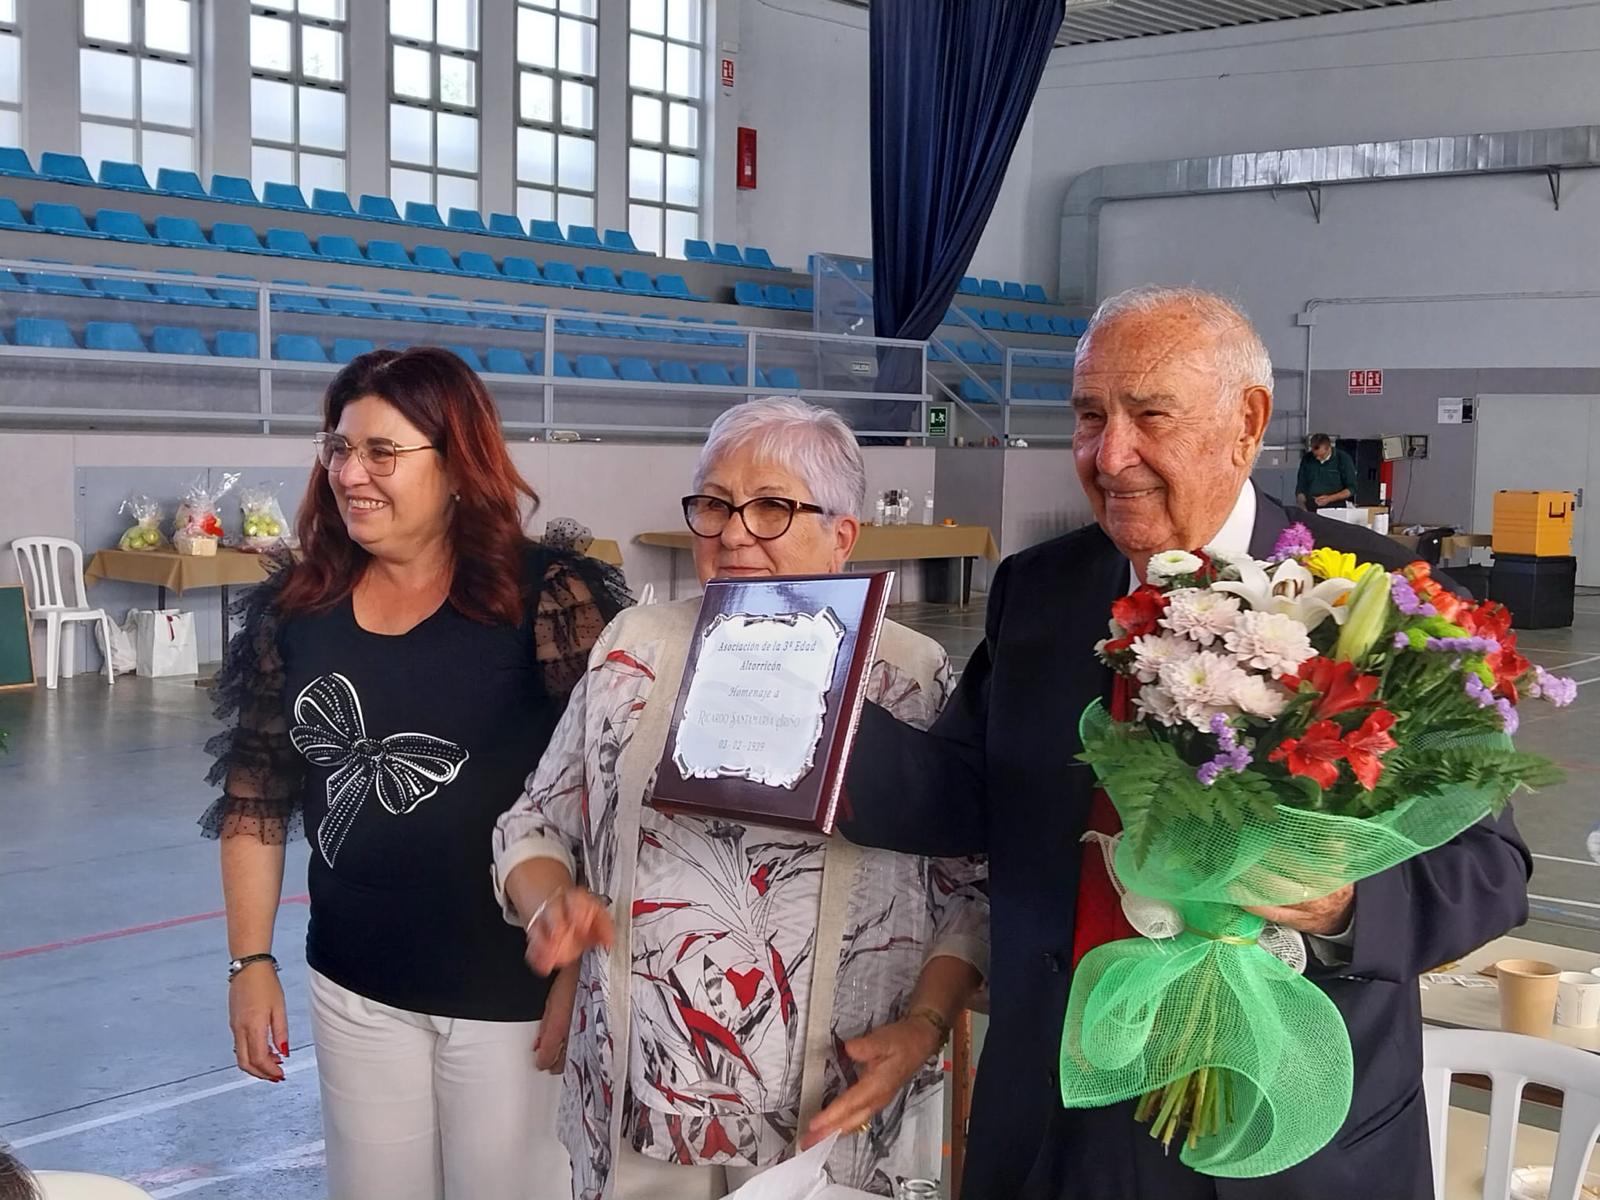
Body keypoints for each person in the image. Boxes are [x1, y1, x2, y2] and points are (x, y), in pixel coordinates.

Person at [839, 287, 1531, 1200]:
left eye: (1147, 414)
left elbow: (1492, 870)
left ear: (1247, 422)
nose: (1109, 454)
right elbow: (965, 793)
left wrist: (1342, 901)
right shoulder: (1039, 591)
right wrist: (810, 720)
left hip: (1290, 1144)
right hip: (1061, 1119)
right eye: (1089, 416)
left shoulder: (1377, 593)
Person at [491, 398, 989, 1199]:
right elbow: (534, 822)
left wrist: (926, 1027)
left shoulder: (910, 674)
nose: (731, 531)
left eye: (771, 508)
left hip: (826, 1109)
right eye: (715, 504)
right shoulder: (635, 650)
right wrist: (552, 904)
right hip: (638, 1095)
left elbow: (969, 884)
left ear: (842, 534)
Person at [203, 347, 629, 1200]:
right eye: (339, 449)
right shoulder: (297, 609)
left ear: (458, 464)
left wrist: (581, 985)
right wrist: (249, 961)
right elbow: (255, 794)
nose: (350, 474)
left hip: (511, 996)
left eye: (381, 453)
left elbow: (611, 802)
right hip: (355, 986)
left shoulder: (548, 598)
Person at [1295, 432, 1359, 511]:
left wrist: (1330, 498)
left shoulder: (1343, 459)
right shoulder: (1307, 459)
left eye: (1322, 455)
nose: (1318, 458)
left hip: (1335, 507)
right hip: (1311, 506)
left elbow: (1352, 488)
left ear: (1329, 448)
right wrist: (1302, 507)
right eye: (1315, 455)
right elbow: (1300, 487)